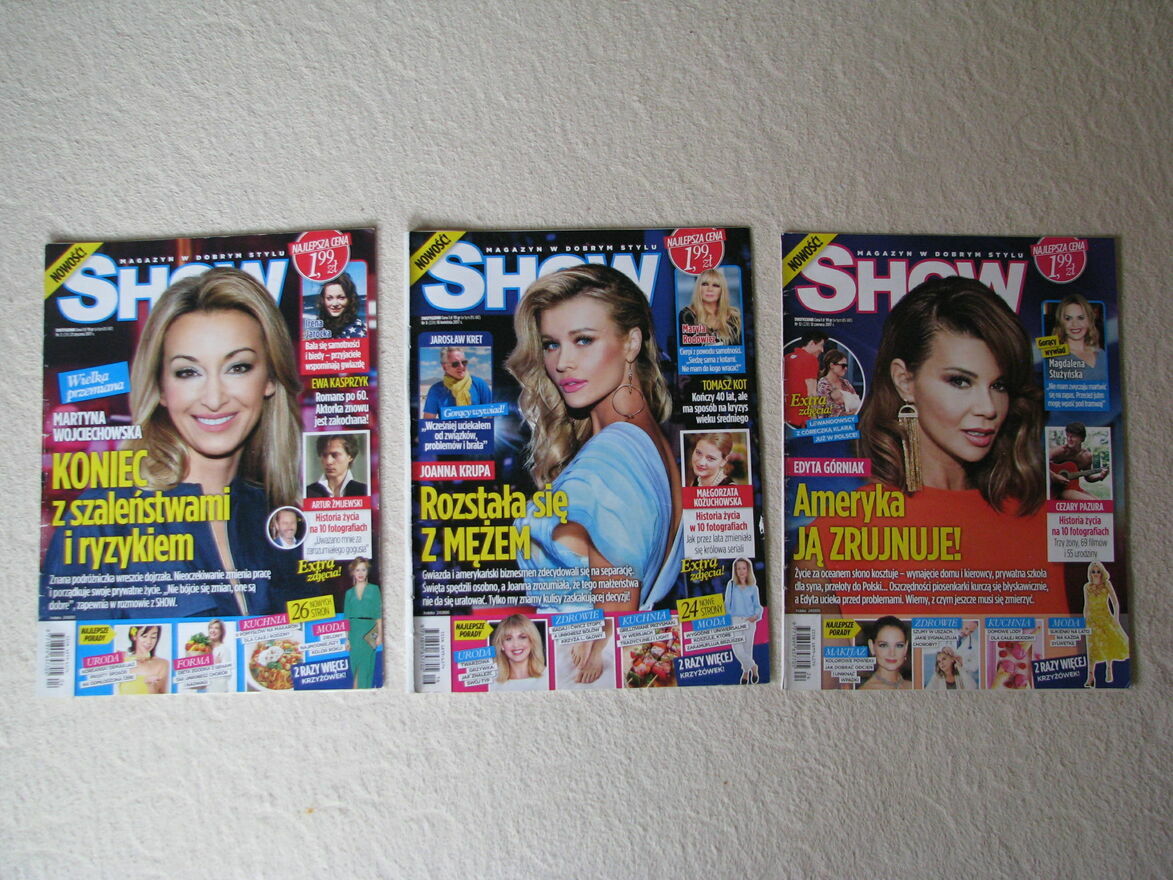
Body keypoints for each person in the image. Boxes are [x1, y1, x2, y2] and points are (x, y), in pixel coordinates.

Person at [42, 267, 304, 619]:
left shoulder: (282, 518)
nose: (214, 399)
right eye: (187, 372)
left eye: (238, 367)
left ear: (270, 378)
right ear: (161, 388)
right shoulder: (103, 518)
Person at [507, 264, 683, 623]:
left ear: (631, 343)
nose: (562, 363)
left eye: (583, 340)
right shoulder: (652, 444)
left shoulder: (611, 460)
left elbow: (612, 633)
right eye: (551, 345)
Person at [1083, 561, 1128, 687]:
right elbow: (1086, 605)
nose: (1096, 574)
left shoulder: (1106, 584)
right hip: (1092, 620)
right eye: (1093, 571)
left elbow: (1115, 602)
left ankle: (1109, 668)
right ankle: (1090, 676)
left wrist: (1116, 618)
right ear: (1090, 573)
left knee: (1108, 643)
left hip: (1105, 617)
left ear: (1102, 572)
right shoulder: (1087, 587)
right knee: (1092, 647)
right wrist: (1084, 619)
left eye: (1098, 571)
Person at [422, 346, 492, 418]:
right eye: (455, 364)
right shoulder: (436, 390)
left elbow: (491, 415)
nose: (461, 366)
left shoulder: (479, 384)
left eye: (464, 362)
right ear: (444, 367)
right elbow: (428, 421)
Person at [1048, 293, 1105, 381]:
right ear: (1061, 322)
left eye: (1080, 318)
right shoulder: (1056, 358)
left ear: (1089, 320)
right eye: (1068, 318)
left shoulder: (1102, 354)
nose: (1075, 324)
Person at [344, 556, 382, 689]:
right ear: (353, 572)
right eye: (357, 570)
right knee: (355, 666)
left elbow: (378, 614)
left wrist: (380, 635)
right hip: (354, 632)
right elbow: (346, 618)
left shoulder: (374, 589)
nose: (360, 573)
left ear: (367, 572)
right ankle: (357, 693)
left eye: (363, 570)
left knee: (367, 665)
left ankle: (365, 691)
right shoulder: (349, 593)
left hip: (370, 630)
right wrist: (347, 639)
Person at [678, 268, 741, 345]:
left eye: (715, 285)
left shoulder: (733, 316)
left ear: (722, 290)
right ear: (698, 288)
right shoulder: (687, 316)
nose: (710, 289)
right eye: (705, 284)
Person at [724, 558, 762, 684]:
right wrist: (728, 620)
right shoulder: (731, 585)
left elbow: (757, 606)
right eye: (738, 568)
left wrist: (756, 616)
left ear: (748, 570)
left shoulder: (753, 588)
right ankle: (754, 667)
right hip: (735, 621)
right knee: (738, 650)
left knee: (747, 649)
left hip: (749, 621)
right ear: (735, 570)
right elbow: (727, 604)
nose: (741, 571)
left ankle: (746, 673)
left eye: (744, 568)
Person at [1049, 422, 1109, 501]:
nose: (1069, 439)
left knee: (1099, 502)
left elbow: (1088, 478)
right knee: (1092, 502)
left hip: (1073, 488)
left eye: (1073, 436)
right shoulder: (1060, 451)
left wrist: (1100, 477)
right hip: (1057, 490)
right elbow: (1040, 463)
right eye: (1068, 436)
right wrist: (1054, 476)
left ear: (1082, 438)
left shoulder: (1087, 456)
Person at [489, 614, 547, 691]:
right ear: (502, 645)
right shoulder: (492, 682)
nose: (516, 645)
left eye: (522, 637)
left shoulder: (548, 676)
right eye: (508, 639)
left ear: (532, 641)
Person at [784, 330, 827, 426]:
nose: (822, 350)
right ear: (811, 343)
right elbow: (811, 393)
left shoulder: (787, 357)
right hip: (802, 420)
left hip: (787, 418)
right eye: (821, 345)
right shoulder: (810, 359)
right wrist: (815, 422)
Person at [858, 616, 912, 690]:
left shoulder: (914, 686)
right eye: (883, 645)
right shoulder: (866, 690)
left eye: (899, 645)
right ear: (872, 647)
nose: (892, 653)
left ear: (906, 647)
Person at [118, 625, 169, 695]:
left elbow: (164, 696)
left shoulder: (162, 664)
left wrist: (151, 686)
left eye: (153, 637)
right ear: (134, 636)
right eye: (144, 636)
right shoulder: (122, 658)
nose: (149, 641)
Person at [316, 272, 366, 339]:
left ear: (350, 299)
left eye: (341, 298)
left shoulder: (355, 331)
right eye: (329, 298)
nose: (335, 304)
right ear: (323, 300)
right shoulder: (326, 323)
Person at [815, 349, 861, 417]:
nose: (846, 368)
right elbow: (829, 412)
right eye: (843, 365)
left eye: (846, 366)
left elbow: (856, 401)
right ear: (832, 366)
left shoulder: (846, 383)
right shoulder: (823, 385)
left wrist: (856, 411)